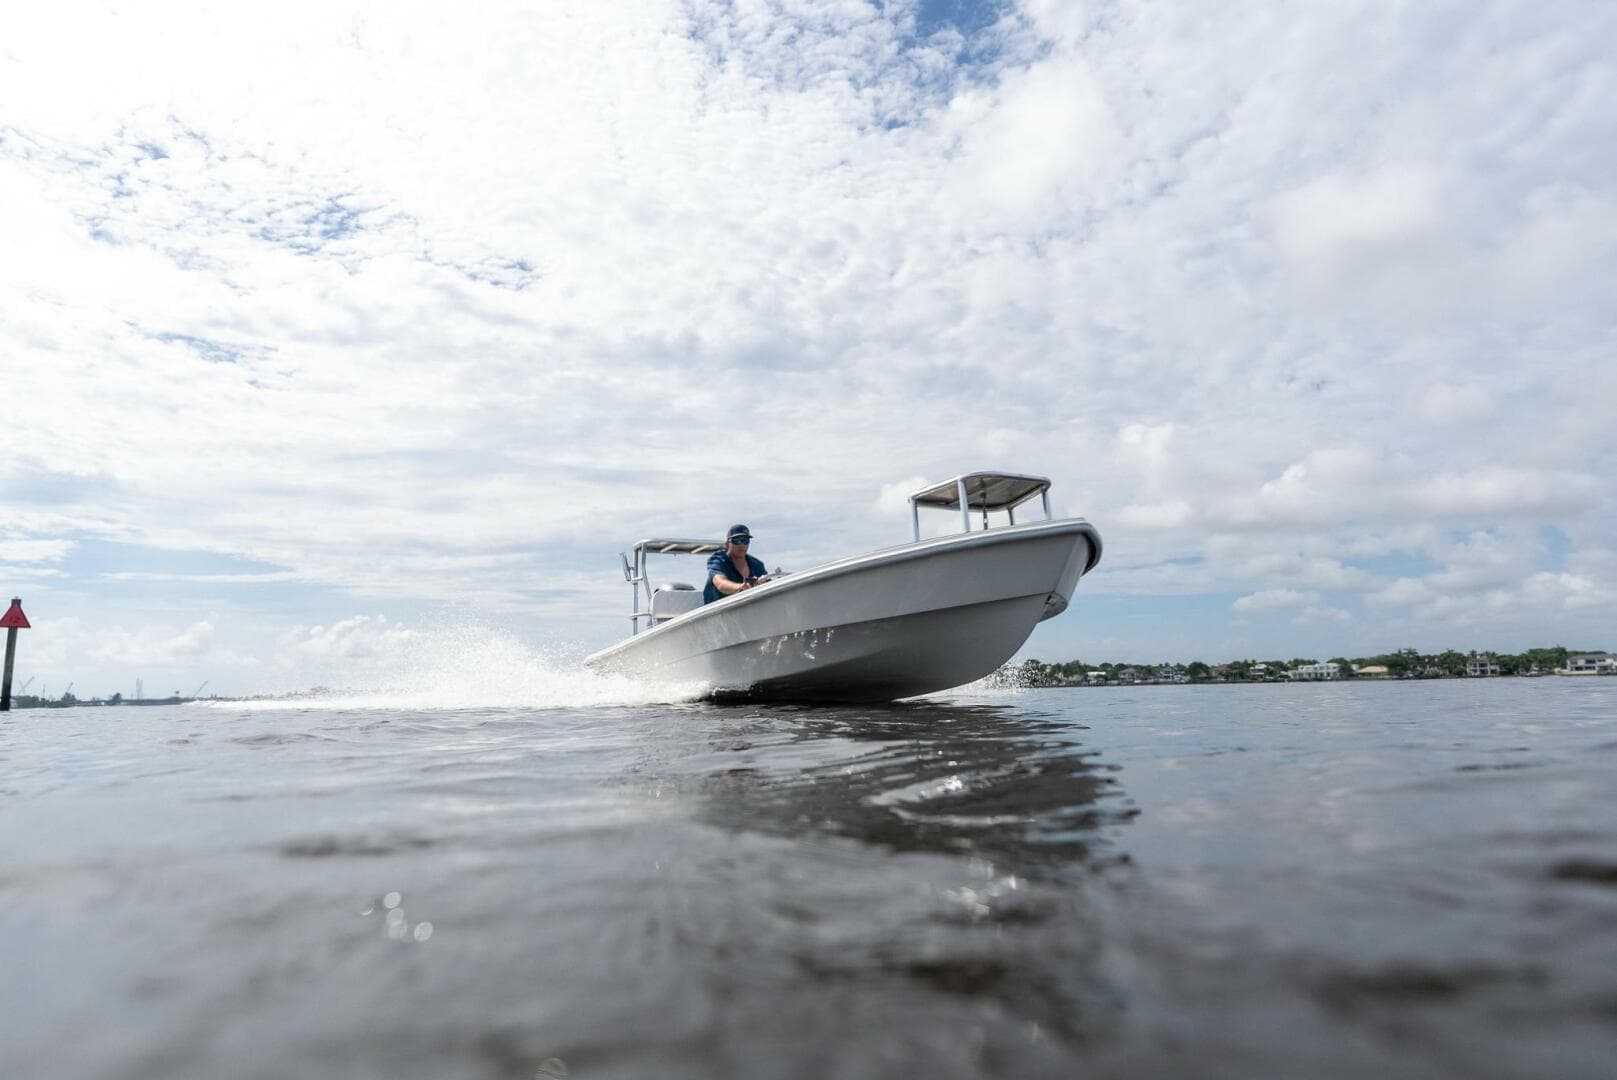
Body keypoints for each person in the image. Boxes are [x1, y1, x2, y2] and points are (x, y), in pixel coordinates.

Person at [704, 524, 766, 604]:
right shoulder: (718, 560)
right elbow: (720, 583)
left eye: (745, 541)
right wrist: (740, 587)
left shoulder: (757, 565)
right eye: (737, 541)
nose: (742, 545)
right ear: (727, 544)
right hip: (717, 612)